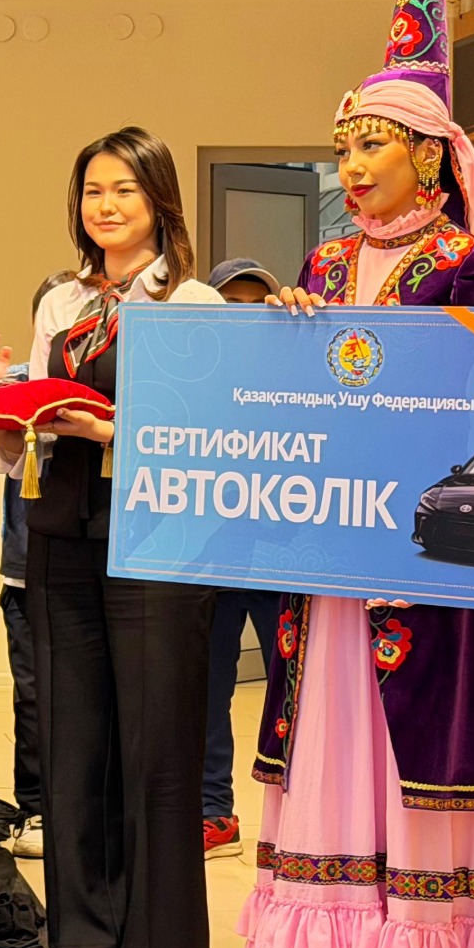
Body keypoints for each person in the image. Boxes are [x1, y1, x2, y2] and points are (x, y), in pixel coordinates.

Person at [236, 0, 474, 948]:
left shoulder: (470, 266)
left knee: (410, 768)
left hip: (423, 578)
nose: (348, 166)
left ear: (429, 157)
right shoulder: (323, 260)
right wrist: (287, 341)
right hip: (332, 577)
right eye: (341, 146)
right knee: (337, 760)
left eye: (370, 145)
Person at [0, 127, 222, 948]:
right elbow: (31, 442)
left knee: (153, 742)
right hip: (63, 532)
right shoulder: (62, 302)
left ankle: (148, 947)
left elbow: (206, 438)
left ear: (159, 200)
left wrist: (109, 430)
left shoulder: (191, 303)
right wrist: (0, 403)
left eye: (123, 190)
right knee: (73, 737)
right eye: (91, 191)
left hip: (157, 537)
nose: (104, 206)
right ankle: (86, 937)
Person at [0, 270, 77, 860]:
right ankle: (37, 809)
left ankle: (89, 815)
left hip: (94, 564)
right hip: (26, 569)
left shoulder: (114, 384)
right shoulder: (18, 383)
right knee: (34, 696)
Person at [201, 259, 285, 862]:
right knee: (209, 692)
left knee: (295, 693)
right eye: (233, 305)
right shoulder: (193, 376)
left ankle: (303, 822)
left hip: (283, 560)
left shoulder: (296, 375)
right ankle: (214, 813)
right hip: (213, 560)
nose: (247, 316)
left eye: (259, 305)